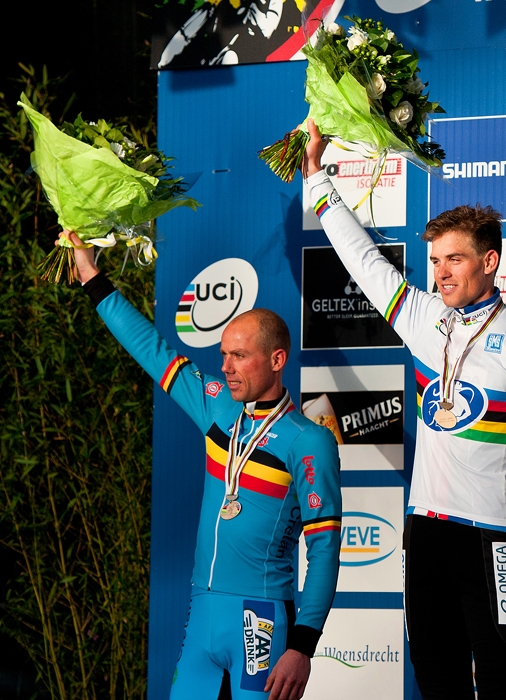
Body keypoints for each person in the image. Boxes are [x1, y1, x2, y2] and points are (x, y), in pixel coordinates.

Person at [301, 121, 506, 700]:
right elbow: (363, 261)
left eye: (454, 259)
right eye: (435, 261)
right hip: (425, 533)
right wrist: (316, 177)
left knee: (503, 688)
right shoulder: (424, 319)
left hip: (497, 539)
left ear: (490, 261)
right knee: (437, 685)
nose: (441, 272)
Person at [63, 231, 341, 700]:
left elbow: (325, 549)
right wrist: (90, 274)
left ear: (277, 359)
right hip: (201, 610)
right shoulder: (216, 407)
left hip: (262, 617)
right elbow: (150, 348)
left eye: (240, 356)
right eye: (224, 354)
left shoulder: (309, 440)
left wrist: (302, 645)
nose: (226, 366)